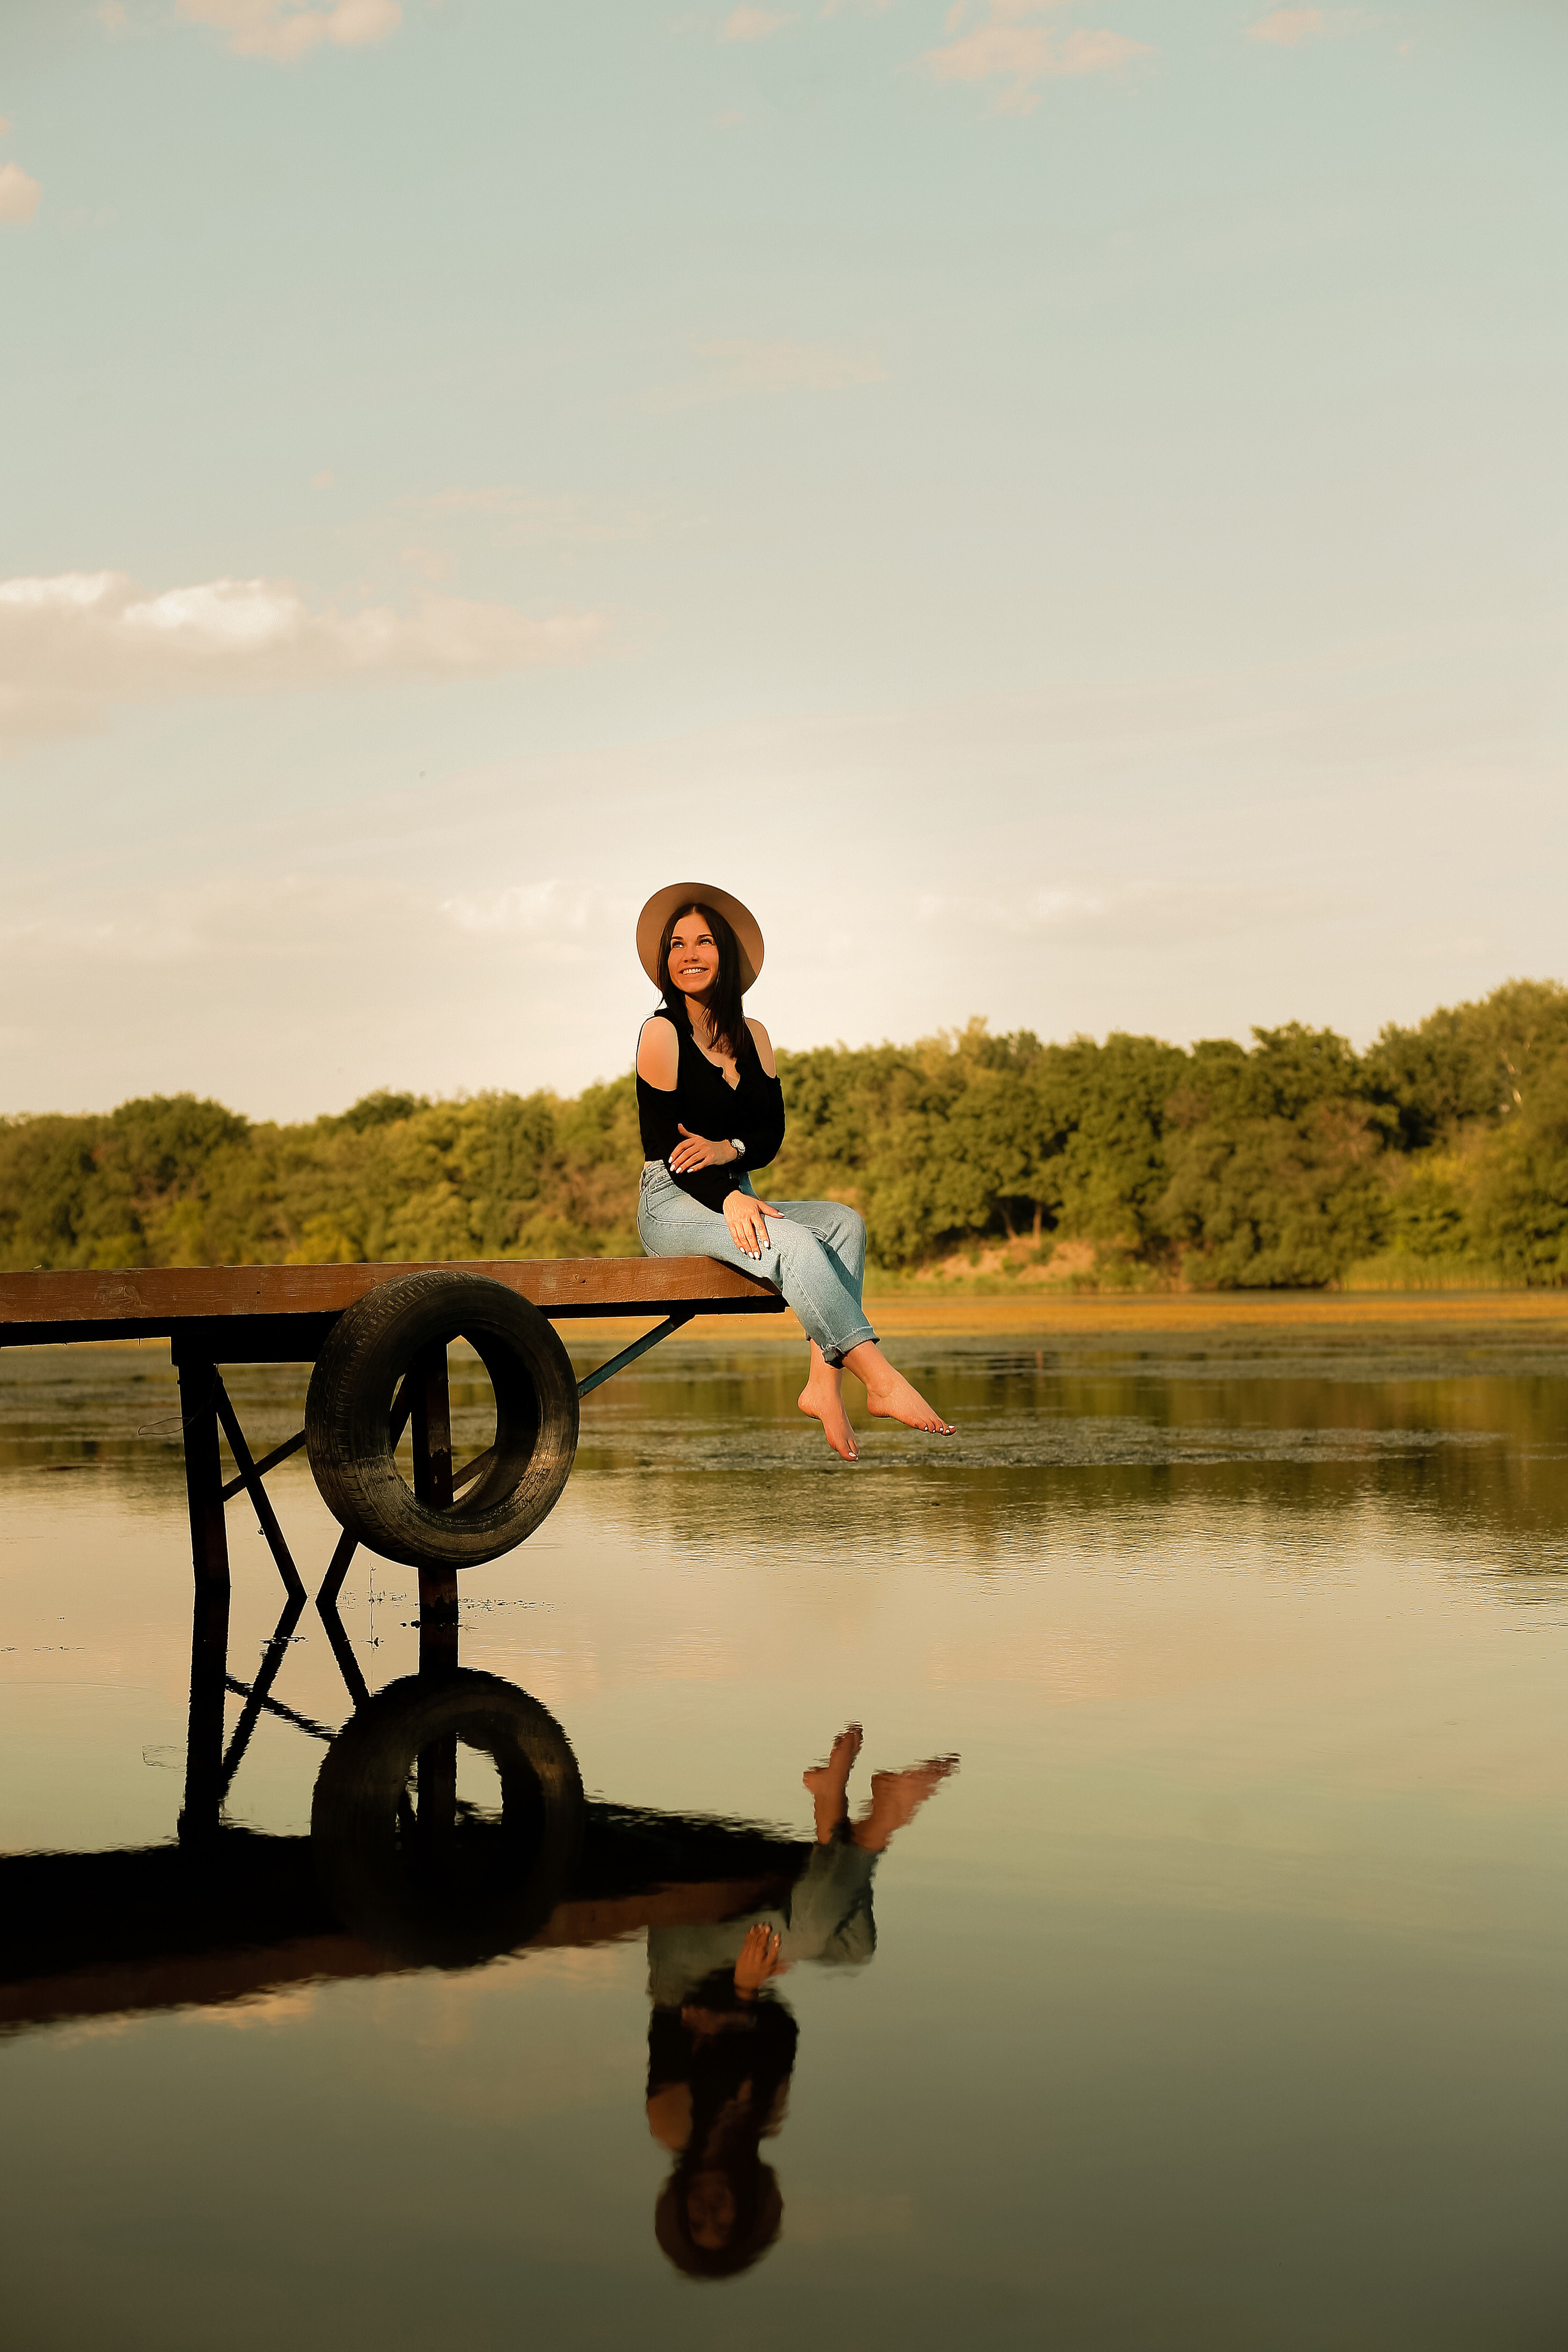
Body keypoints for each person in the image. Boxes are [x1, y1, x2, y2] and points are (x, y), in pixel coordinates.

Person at [633, 881, 954, 1461]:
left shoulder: (754, 1036)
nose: (690, 955)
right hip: (672, 1200)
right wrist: (725, 1199)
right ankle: (880, 1380)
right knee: (787, 1237)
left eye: (703, 942)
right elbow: (667, 1147)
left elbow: (767, 1136)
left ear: (725, 955)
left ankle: (823, 1387)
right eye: (677, 945)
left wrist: (730, 1152)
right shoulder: (661, 1033)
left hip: (731, 1187)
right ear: (665, 961)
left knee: (843, 1224)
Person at [644, 1725, 957, 2280]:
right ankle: (831, 1811)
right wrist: (746, 1994)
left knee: (813, 1936)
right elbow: (782, 2030)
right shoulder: (765, 2117)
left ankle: (876, 1823)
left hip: (684, 1958)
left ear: (684, 2202)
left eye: (699, 2219)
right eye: (724, 2220)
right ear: (743, 2204)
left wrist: (739, 1997)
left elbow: (675, 2019)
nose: (711, 2210)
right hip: (738, 1974)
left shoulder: (672, 2125)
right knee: (853, 1947)